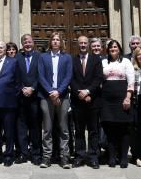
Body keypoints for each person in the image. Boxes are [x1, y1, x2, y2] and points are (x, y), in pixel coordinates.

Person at [38, 33, 72, 169]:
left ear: (61, 42)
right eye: (53, 39)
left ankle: (64, 157)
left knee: (64, 128)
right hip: (46, 96)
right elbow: (40, 76)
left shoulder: (67, 57)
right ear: (50, 42)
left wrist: (58, 91)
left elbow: (68, 76)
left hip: (62, 96)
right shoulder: (43, 57)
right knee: (47, 128)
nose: (56, 42)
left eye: (58, 40)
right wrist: (50, 91)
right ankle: (47, 157)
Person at [100, 40, 134, 168]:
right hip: (107, 99)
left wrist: (128, 97)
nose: (113, 49)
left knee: (123, 128)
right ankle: (112, 157)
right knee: (110, 129)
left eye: (115, 47)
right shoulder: (103, 62)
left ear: (119, 49)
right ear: (107, 50)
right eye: (110, 47)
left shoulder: (126, 62)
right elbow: (100, 79)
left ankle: (124, 157)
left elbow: (131, 80)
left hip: (122, 98)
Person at [71, 35, 102, 168]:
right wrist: (80, 93)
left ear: (88, 44)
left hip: (93, 100)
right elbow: (70, 79)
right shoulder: (72, 60)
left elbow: (98, 78)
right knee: (78, 130)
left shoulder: (96, 59)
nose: (83, 45)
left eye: (85, 43)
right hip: (78, 100)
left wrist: (88, 92)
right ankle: (79, 155)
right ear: (77, 45)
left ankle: (93, 156)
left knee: (93, 129)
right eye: (81, 43)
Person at [0, 42, 19, 166]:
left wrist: (12, 96)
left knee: (9, 131)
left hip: (8, 102)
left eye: (1, 47)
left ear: (5, 50)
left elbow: (18, 82)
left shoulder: (13, 62)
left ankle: (9, 155)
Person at [16, 33, 42, 165]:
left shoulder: (40, 57)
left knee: (35, 127)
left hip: (35, 97)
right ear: (22, 44)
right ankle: (23, 153)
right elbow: (15, 76)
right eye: (25, 42)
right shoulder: (17, 58)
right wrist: (22, 88)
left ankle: (36, 154)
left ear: (33, 43)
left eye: (29, 42)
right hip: (21, 98)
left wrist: (32, 88)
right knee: (21, 127)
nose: (27, 44)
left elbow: (41, 75)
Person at [129, 47, 141, 166]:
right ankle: (137, 156)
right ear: (135, 57)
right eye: (139, 55)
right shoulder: (132, 70)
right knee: (137, 131)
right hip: (136, 103)